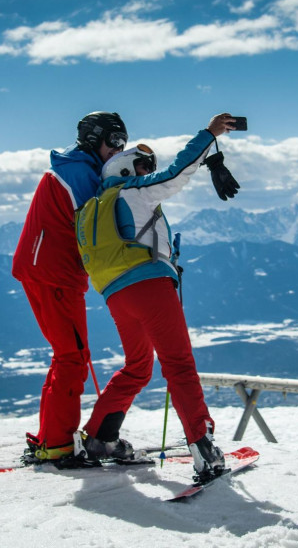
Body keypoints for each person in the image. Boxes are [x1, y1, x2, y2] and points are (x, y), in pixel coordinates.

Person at [75, 113, 239, 483]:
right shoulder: (133, 191)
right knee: (178, 364)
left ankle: (100, 437)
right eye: (142, 164)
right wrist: (209, 134)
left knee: (138, 366)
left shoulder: (94, 207)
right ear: (123, 168)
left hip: (117, 295)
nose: (148, 170)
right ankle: (204, 447)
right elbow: (177, 172)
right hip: (149, 287)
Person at [12, 112, 129, 461]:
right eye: (115, 141)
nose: (118, 150)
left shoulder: (77, 168)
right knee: (73, 359)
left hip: (46, 271)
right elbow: (97, 227)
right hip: (54, 274)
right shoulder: (79, 174)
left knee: (68, 355)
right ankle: (58, 445)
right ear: (95, 139)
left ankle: (51, 437)